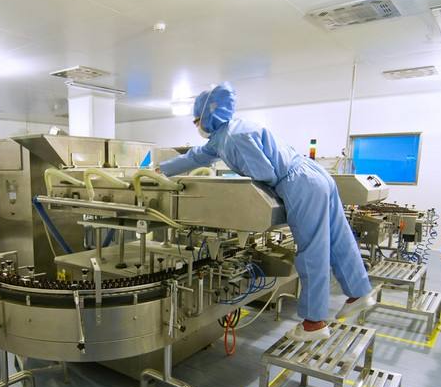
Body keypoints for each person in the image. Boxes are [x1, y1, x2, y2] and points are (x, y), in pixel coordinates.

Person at [157, 82, 375, 341]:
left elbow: (264, 174)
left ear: (208, 115)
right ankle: (359, 292)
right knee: (339, 237)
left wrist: (240, 190)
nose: (197, 126)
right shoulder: (228, 133)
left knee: (312, 250)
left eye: (196, 120)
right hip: (317, 177)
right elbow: (197, 156)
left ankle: (314, 323)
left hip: (299, 184)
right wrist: (162, 170)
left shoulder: (233, 138)